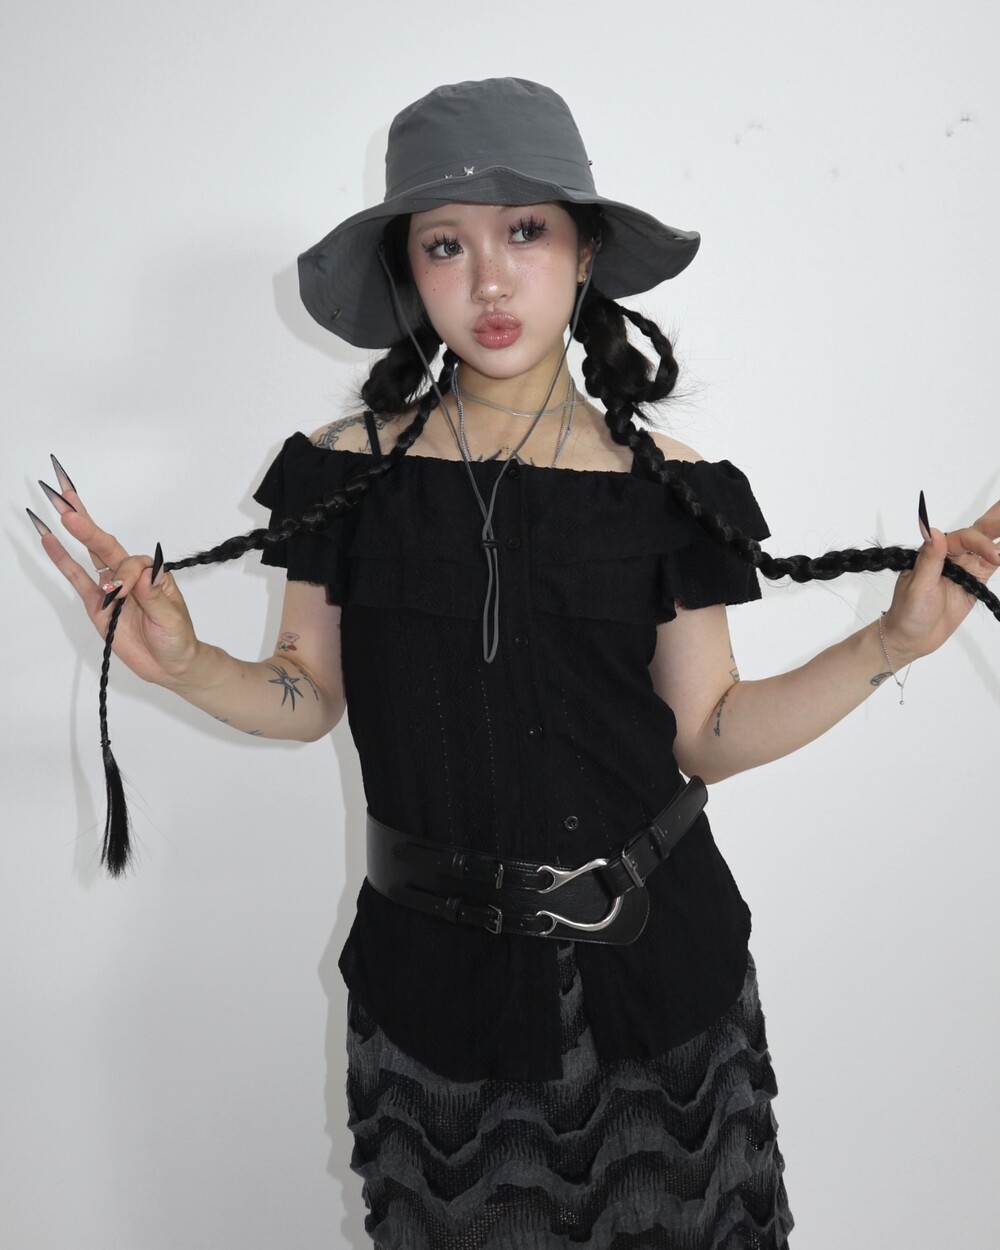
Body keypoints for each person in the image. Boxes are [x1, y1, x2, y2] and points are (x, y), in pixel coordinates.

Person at [28, 78, 1000, 1249]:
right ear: (409, 270)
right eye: (446, 244)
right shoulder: (345, 472)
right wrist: (185, 663)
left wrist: (891, 641)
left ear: (584, 252)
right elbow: (304, 692)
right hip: (435, 1006)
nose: (489, 280)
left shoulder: (667, 486)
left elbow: (709, 730)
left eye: (524, 232)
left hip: (665, 994)